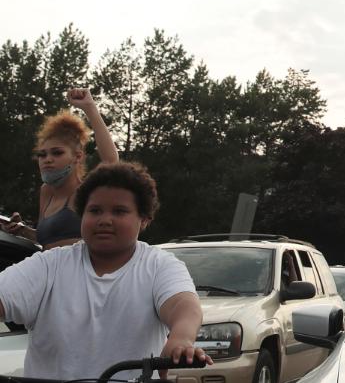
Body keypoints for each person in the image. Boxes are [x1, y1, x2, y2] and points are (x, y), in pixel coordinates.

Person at [0, 162, 211, 380]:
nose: (105, 220)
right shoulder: (48, 265)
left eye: (119, 211)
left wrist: (181, 338)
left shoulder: (160, 265)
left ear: (145, 219)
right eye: (95, 210)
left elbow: (183, 306)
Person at [2, 88, 119, 249]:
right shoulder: (46, 191)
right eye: (42, 155)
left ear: (77, 156)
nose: (47, 160)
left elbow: (111, 161)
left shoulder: (84, 192)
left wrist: (89, 107)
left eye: (57, 153)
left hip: (78, 273)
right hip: (47, 273)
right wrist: (22, 230)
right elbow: (49, 240)